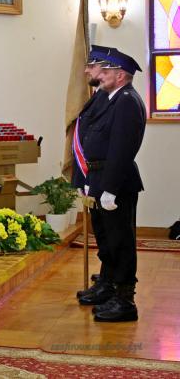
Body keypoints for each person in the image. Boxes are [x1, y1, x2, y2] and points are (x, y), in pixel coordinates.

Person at [76, 48, 146, 322]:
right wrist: (89, 181)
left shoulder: (127, 101)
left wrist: (111, 188)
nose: (100, 75)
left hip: (116, 181)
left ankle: (125, 300)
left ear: (120, 75)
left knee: (120, 242)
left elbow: (122, 149)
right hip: (99, 178)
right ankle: (110, 286)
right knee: (106, 239)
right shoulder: (111, 98)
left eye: (106, 72)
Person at [72, 45, 113, 305]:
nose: (86, 70)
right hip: (93, 175)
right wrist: (81, 179)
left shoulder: (112, 98)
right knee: (103, 233)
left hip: (103, 174)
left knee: (111, 235)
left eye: (92, 65)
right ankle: (108, 277)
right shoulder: (99, 95)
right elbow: (84, 136)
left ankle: (112, 282)